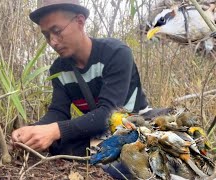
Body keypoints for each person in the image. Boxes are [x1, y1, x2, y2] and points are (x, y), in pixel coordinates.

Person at [11, 0, 149, 156]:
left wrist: (55, 130)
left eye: (56, 31)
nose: (52, 42)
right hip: (100, 131)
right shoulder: (59, 69)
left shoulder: (116, 53)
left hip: (134, 124)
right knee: (57, 146)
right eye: (46, 35)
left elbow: (108, 114)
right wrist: (34, 130)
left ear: (80, 21)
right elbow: (58, 111)